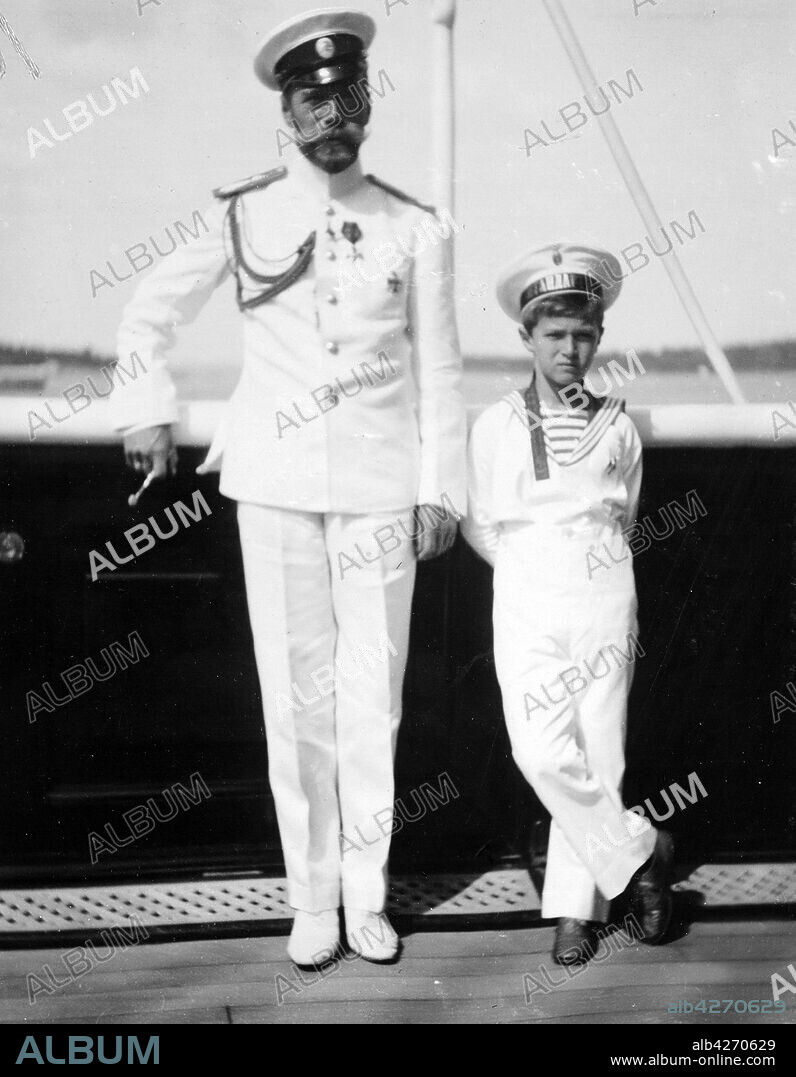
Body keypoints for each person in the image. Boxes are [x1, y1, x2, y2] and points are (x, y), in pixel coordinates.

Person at [111, 8, 465, 967]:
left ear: (366, 102)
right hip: (274, 484)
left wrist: (441, 486)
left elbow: (440, 370)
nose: (332, 117)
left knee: (372, 699)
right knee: (295, 701)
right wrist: (146, 407)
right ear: (288, 111)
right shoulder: (243, 213)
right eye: (314, 100)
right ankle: (312, 900)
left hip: (382, 489)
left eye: (348, 97)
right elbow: (147, 314)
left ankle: (368, 897)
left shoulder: (415, 226)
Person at [462, 243, 672, 966]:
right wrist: (533, 572)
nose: (569, 349)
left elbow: (626, 511)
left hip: (605, 592)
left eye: (583, 334)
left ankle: (575, 913)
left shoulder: (618, 425)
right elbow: (481, 522)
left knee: (600, 750)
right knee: (542, 751)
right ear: (526, 337)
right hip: (526, 591)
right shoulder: (496, 424)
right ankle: (641, 850)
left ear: (600, 337)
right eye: (554, 334)